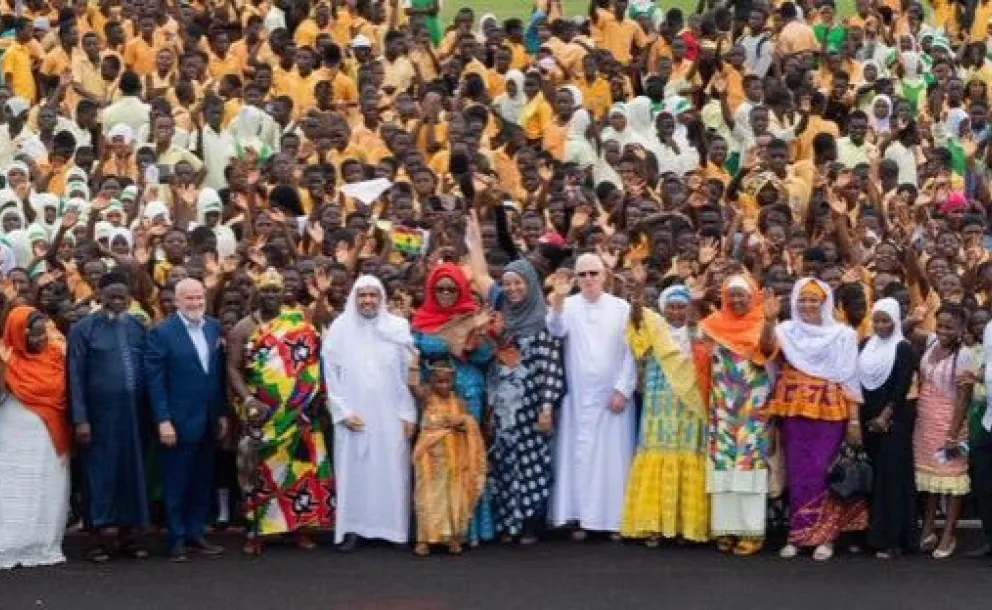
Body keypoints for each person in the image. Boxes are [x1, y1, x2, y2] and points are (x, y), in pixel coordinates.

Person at [465, 212, 565, 545]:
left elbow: (552, 365)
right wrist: (475, 241)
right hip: (501, 401)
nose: (512, 289)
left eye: (518, 283)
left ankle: (528, 525)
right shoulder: (499, 304)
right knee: (504, 459)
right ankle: (507, 523)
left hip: (532, 403)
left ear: (531, 284)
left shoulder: (543, 319)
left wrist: (547, 407)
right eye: (507, 283)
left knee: (532, 462)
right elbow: (479, 275)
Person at [226, 269, 333, 556]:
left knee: (300, 471)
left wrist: (321, 295)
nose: (271, 296)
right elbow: (233, 368)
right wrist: (248, 400)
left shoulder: (296, 319)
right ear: (257, 294)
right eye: (266, 291)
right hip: (263, 412)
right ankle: (257, 532)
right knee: (260, 473)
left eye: (276, 290)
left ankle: (301, 528)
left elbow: (318, 325)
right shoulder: (243, 328)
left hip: (299, 411)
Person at [770, 278, 867, 562]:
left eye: (814, 300)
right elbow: (766, 355)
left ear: (825, 303)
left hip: (829, 413)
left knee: (824, 472)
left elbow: (850, 379)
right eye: (802, 300)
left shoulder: (842, 335)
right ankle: (798, 536)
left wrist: (854, 422)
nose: (808, 305)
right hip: (794, 412)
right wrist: (767, 319)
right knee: (798, 474)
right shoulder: (785, 331)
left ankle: (827, 537)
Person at [322, 275, 417, 552]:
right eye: (362, 295)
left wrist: (409, 414)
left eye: (373, 295)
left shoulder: (398, 327)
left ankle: (393, 530)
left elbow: (407, 374)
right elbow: (331, 374)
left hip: (391, 414)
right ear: (354, 298)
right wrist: (342, 412)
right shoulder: (340, 328)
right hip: (354, 414)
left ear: (382, 298)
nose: (367, 301)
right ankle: (352, 528)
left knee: (391, 470)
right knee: (355, 472)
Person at [547, 253, 637, 539]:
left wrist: (623, 388)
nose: (588, 279)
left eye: (593, 274)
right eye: (582, 275)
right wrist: (558, 300)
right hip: (579, 398)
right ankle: (583, 518)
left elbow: (632, 352)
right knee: (581, 458)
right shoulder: (569, 305)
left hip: (613, 399)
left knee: (614, 461)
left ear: (604, 276)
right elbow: (555, 329)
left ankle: (615, 521)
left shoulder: (621, 308)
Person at [68, 270, 151, 563]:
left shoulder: (138, 326)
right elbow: (75, 377)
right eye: (111, 296)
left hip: (133, 418)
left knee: (132, 474)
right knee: (100, 475)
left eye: (122, 296)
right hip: (99, 419)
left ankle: (128, 537)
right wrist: (81, 419)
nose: (117, 301)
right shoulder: (83, 329)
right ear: (99, 296)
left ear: (130, 298)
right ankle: (99, 540)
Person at [145, 278, 229, 562]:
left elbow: (216, 377)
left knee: (202, 480)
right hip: (177, 422)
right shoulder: (162, 332)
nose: (195, 303)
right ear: (177, 301)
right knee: (176, 482)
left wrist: (220, 415)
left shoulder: (214, 327)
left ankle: (196, 533)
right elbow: (154, 381)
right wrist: (163, 420)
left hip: (208, 419)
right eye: (189, 299)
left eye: (199, 298)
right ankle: (177, 539)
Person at [412, 262, 495, 545]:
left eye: (452, 288)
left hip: (468, 393)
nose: (446, 293)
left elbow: (485, 358)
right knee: (435, 462)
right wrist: (454, 339)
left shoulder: (472, 316)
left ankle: (465, 529)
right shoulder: (421, 319)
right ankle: (434, 530)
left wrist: (477, 336)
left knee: (465, 458)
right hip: (433, 397)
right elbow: (414, 352)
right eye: (440, 288)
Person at [621, 283, 709, 545]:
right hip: (659, 403)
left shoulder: (700, 331)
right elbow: (637, 339)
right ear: (663, 309)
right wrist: (636, 307)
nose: (676, 312)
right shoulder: (655, 329)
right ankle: (653, 525)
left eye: (682, 306)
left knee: (689, 453)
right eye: (671, 307)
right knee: (658, 452)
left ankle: (684, 526)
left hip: (690, 405)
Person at [697, 274, 776, 556]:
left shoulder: (760, 324)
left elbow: (767, 351)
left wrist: (769, 321)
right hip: (722, 409)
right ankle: (726, 528)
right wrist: (696, 300)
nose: (736, 299)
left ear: (753, 295)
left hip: (752, 411)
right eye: (731, 294)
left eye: (742, 294)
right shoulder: (714, 325)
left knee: (749, 465)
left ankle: (751, 531)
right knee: (723, 465)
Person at [0, 306, 71, 570]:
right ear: (19, 334)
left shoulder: (56, 354)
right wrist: (3, 368)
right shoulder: (6, 357)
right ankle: (9, 544)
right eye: (34, 336)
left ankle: (41, 544)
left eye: (44, 334)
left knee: (46, 489)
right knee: (15, 490)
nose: (41, 340)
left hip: (49, 438)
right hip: (14, 439)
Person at [858, 298, 918, 559]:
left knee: (892, 479)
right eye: (877, 320)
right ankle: (872, 535)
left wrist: (885, 416)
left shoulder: (903, 348)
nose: (881, 325)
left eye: (886, 321)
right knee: (874, 478)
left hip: (894, 420)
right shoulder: (865, 345)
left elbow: (901, 387)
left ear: (895, 321)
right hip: (867, 416)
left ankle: (893, 539)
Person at [915, 304, 975, 559]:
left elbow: (964, 398)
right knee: (930, 481)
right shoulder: (930, 344)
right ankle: (928, 528)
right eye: (940, 325)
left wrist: (953, 435)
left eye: (950, 327)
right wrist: (917, 314)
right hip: (925, 423)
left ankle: (949, 534)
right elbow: (909, 330)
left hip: (950, 424)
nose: (943, 331)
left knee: (951, 482)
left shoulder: (964, 355)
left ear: (962, 328)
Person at [410, 360, 487, 556]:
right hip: (429, 458)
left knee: (453, 496)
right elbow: (412, 384)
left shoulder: (459, 402)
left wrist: (461, 420)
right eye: (439, 382)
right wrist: (414, 361)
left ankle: (453, 538)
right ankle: (424, 539)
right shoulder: (427, 398)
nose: (444, 386)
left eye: (447, 382)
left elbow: (470, 424)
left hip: (454, 458)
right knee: (427, 498)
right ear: (432, 382)